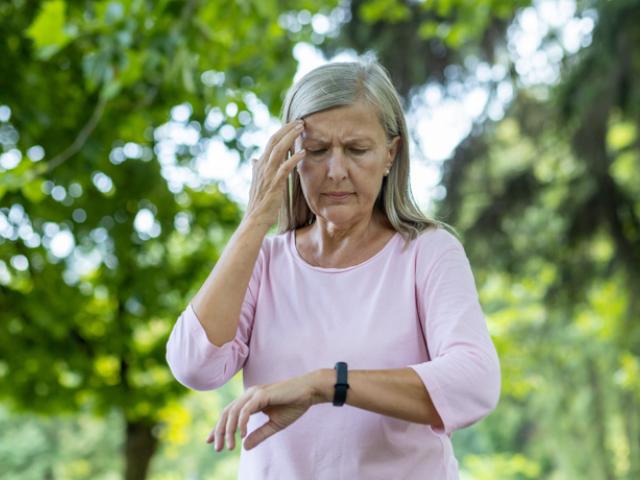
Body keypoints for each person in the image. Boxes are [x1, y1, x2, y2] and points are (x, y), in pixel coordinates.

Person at [166, 58, 501, 479]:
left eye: (357, 150)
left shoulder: (427, 253)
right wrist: (255, 220)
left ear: (390, 155)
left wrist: (326, 385)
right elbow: (193, 364)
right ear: (290, 157)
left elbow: (474, 383)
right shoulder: (264, 262)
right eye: (317, 151)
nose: (336, 171)